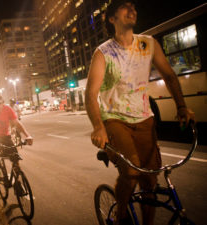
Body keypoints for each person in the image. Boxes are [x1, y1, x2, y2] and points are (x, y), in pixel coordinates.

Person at [85, 1, 195, 225]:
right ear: (112, 19)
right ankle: (121, 215)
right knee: (131, 171)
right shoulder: (103, 53)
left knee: (149, 181)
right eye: (125, 7)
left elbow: (170, 76)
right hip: (115, 119)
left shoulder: (149, 43)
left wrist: (182, 106)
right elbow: (90, 93)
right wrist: (98, 126)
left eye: (134, 6)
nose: (132, 10)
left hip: (145, 119)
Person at [0, 94, 33, 182]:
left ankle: (17, 180)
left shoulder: (7, 109)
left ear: (3, 103)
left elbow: (17, 123)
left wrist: (28, 135)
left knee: (15, 157)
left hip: (5, 136)